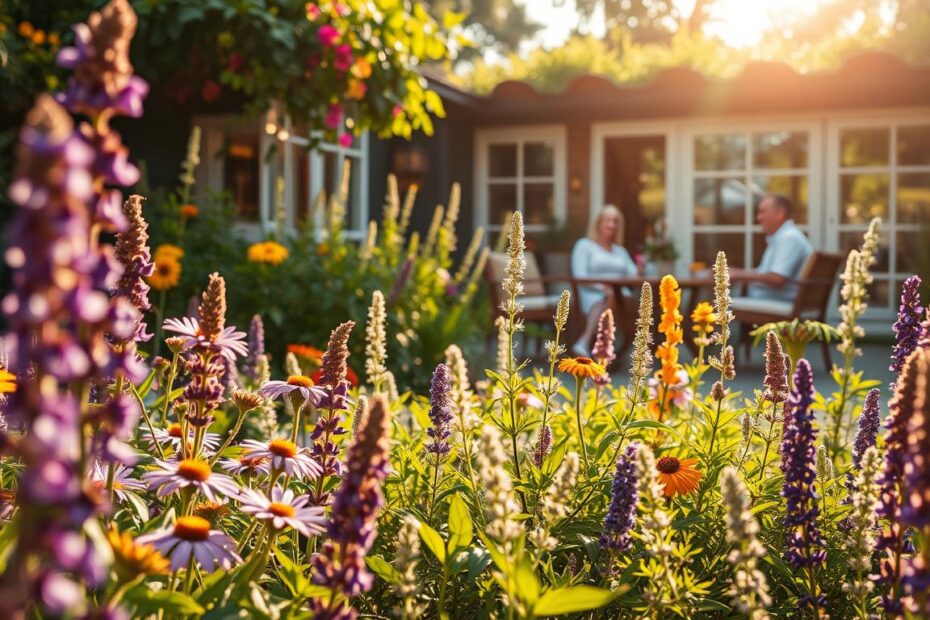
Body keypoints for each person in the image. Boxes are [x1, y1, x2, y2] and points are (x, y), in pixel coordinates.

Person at [571, 205, 637, 356]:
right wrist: (602, 287)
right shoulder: (584, 245)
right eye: (608, 220)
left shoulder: (620, 250)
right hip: (591, 293)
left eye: (615, 221)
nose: (612, 225)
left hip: (621, 296)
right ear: (598, 223)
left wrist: (641, 267)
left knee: (626, 299)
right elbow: (579, 275)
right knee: (609, 297)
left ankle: (592, 344)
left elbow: (633, 274)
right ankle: (601, 346)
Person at [731, 193, 813, 303]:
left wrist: (737, 274)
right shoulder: (783, 237)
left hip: (776, 302)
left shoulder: (789, 237)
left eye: (762, 212)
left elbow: (777, 278)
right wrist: (737, 272)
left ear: (780, 213)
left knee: (716, 305)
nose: (758, 218)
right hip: (771, 299)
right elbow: (767, 273)